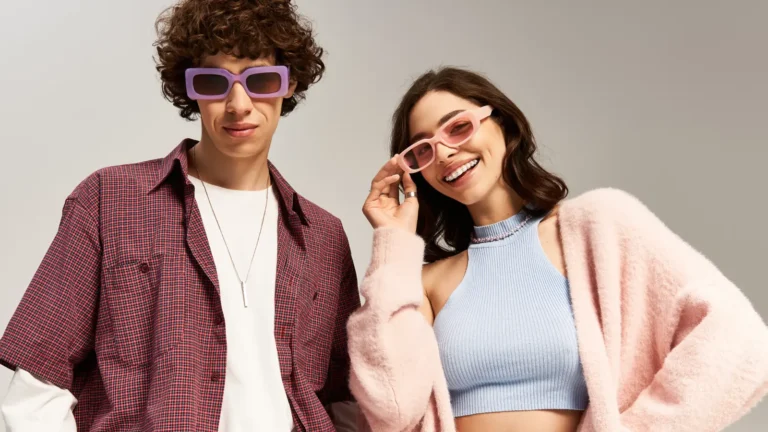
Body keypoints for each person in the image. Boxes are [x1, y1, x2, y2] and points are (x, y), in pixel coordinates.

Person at [0, 1, 360, 431]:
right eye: (214, 82)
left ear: (289, 83)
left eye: (261, 80)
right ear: (191, 88)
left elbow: (345, 401)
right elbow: (38, 388)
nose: (238, 104)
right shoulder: (110, 200)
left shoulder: (323, 235)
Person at [347, 67, 768, 432]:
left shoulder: (598, 228)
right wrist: (393, 245)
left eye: (458, 127)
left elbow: (738, 342)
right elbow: (391, 411)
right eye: (422, 149)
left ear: (504, 125)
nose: (444, 153)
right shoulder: (423, 283)